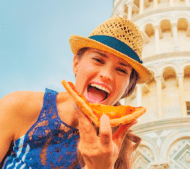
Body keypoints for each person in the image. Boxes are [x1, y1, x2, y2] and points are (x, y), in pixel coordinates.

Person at [0, 16, 152, 169]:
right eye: (98, 60)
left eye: (121, 70)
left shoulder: (119, 148)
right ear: (76, 64)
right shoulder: (18, 107)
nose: (106, 75)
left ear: (127, 87)